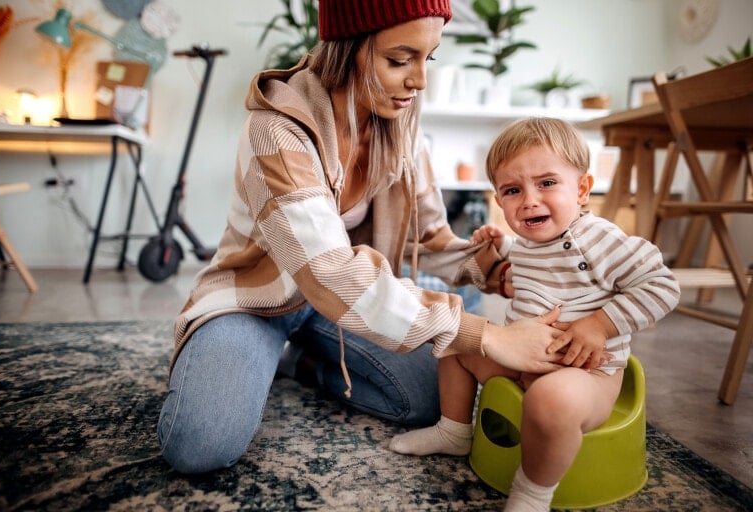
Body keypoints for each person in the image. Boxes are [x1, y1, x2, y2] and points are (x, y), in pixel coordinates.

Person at [156, 1, 569, 475]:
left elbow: (428, 237)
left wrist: (494, 269)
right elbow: (329, 272)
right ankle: (250, 352)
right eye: (399, 60)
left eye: (428, 58)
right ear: (346, 49)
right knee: (200, 446)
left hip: (345, 305)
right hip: (257, 299)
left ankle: (300, 362)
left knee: (432, 399)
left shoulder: (400, 124)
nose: (420, 81)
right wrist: (487, 335)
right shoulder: (275, 129)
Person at [388, 117, 681, 511]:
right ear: (499, 201)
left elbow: (663, 286)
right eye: (513, 190)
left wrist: (598, 325)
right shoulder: (529, 241)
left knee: (551, 399)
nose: (529, 200)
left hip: (586, 374)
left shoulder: (599, 239)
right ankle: (453, 431)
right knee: (456, 340)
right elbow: (533, 261)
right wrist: (500, 246)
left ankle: (533, 492)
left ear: (581, 189)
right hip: (522, 359)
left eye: (546, 183)